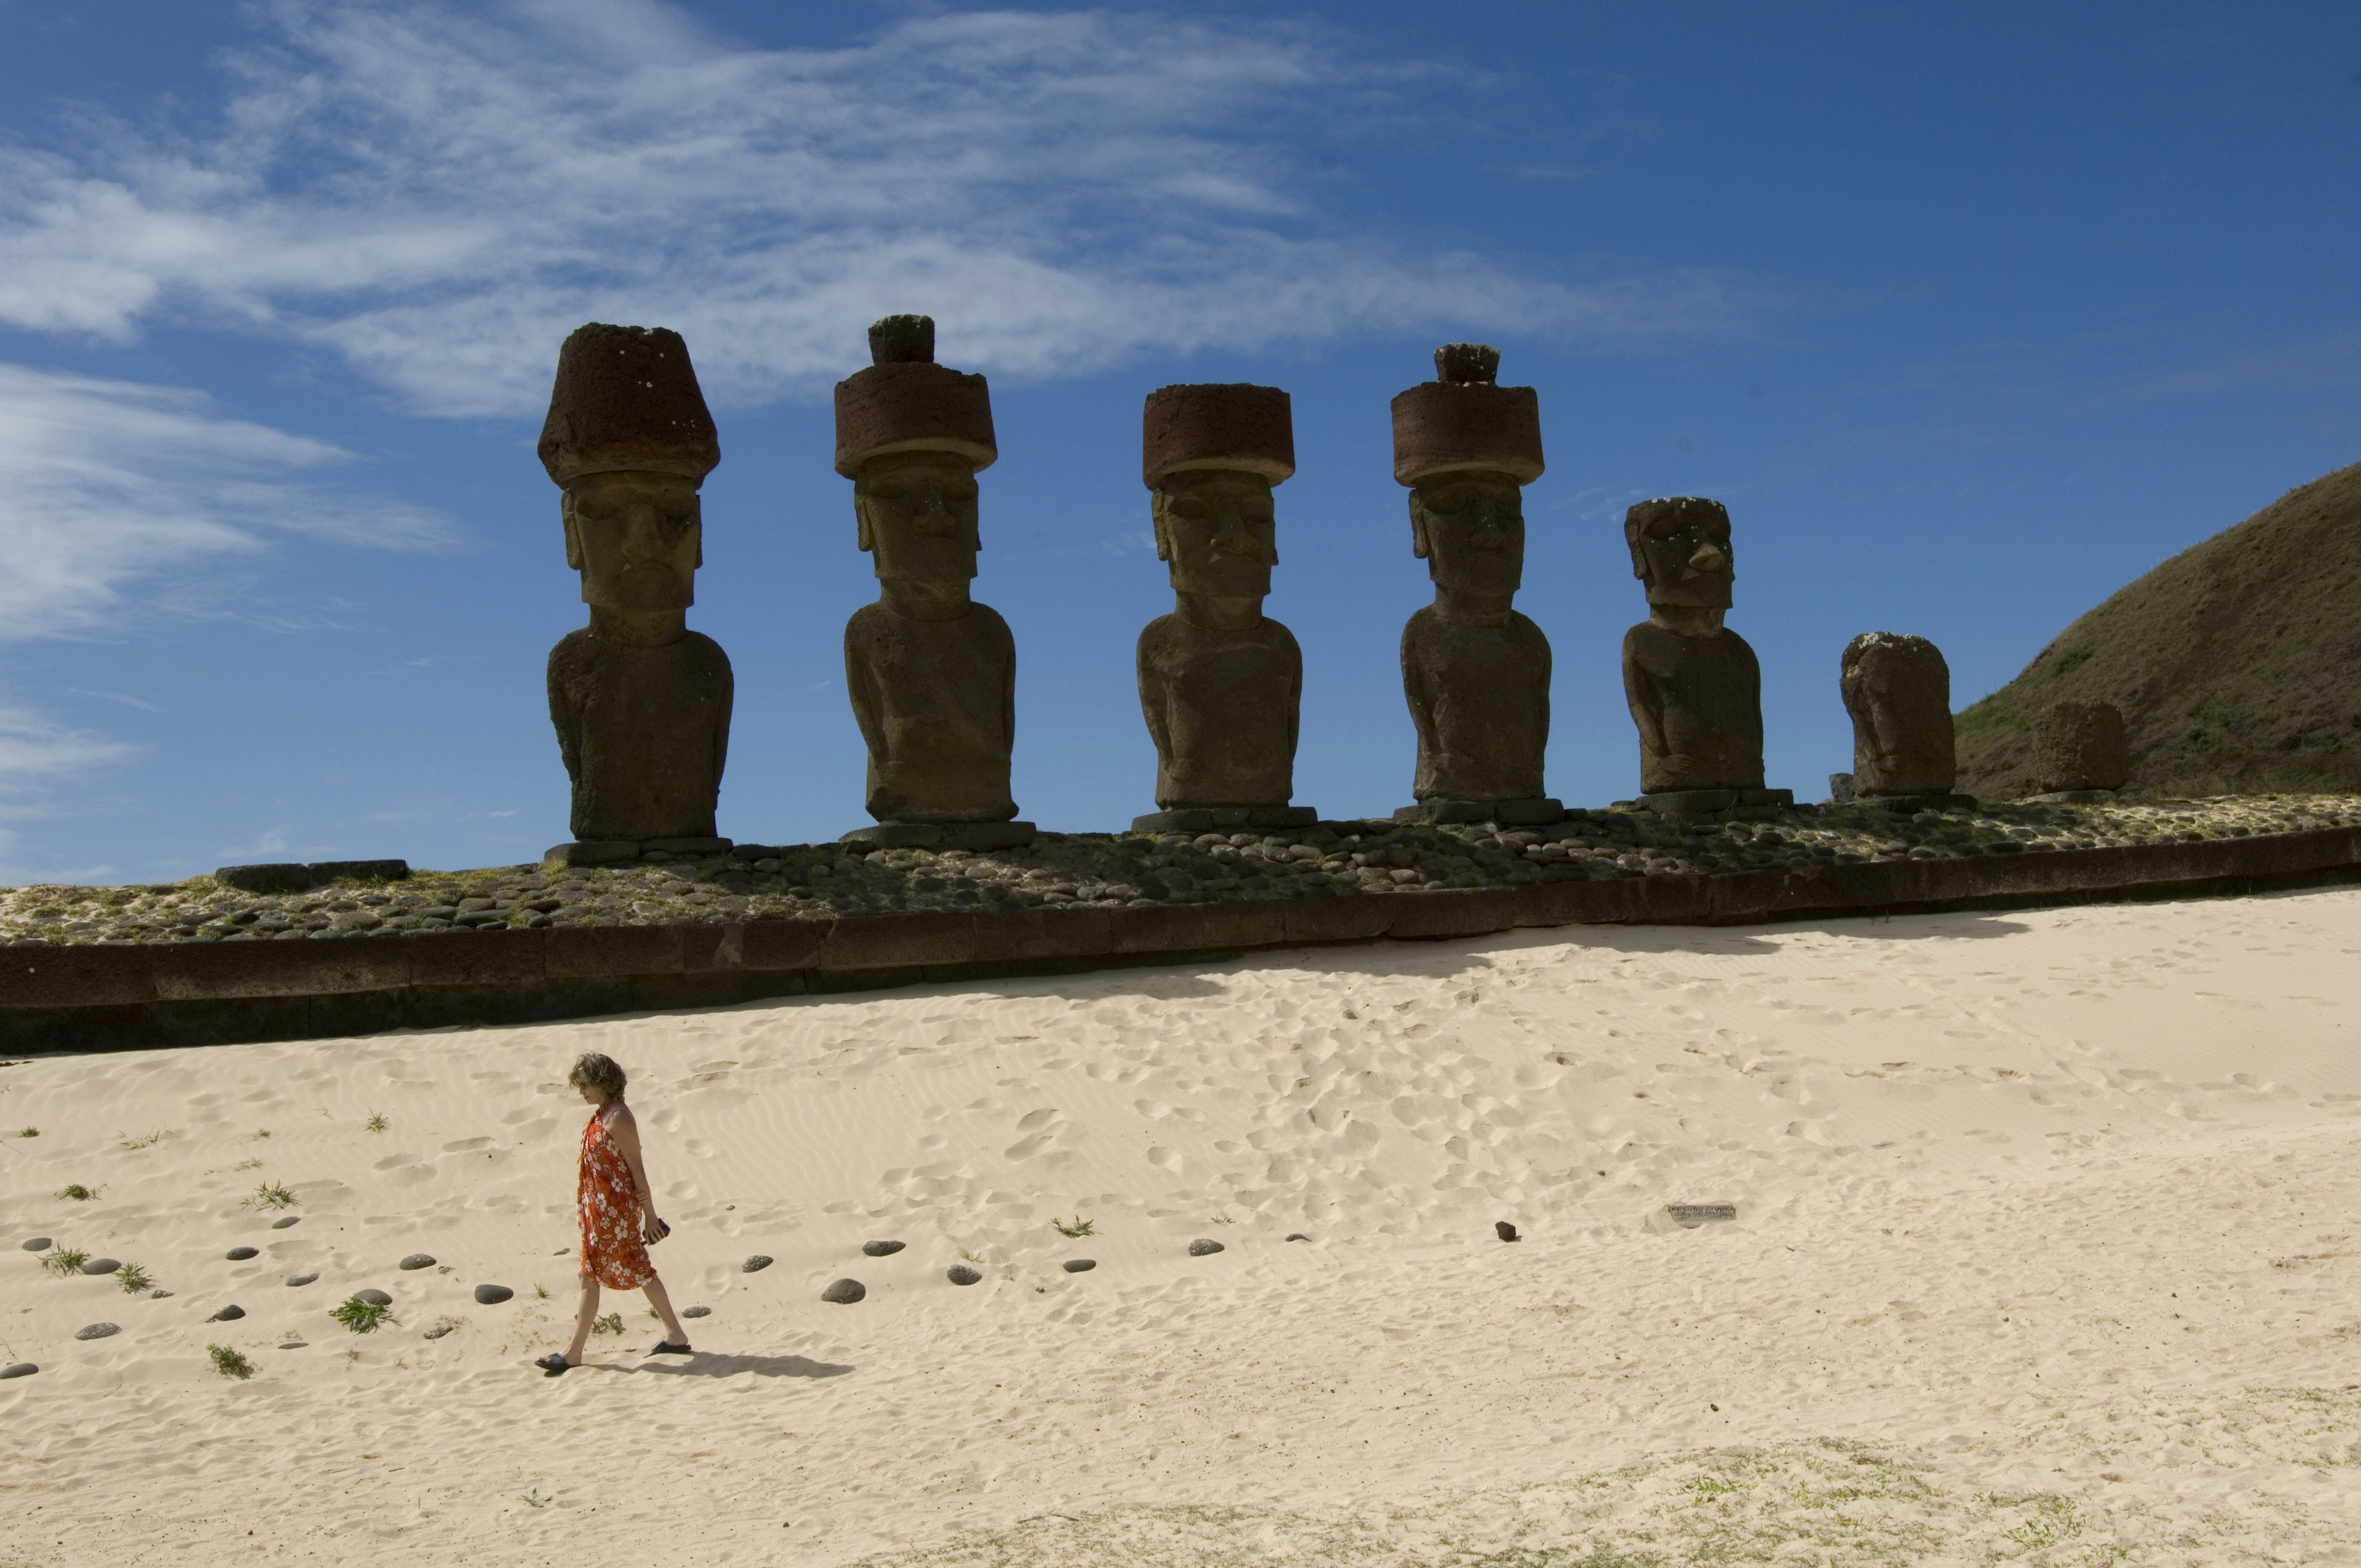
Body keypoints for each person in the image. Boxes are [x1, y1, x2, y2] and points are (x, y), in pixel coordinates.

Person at [538, 1052, 690, 1374]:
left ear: (603, 1083)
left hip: (616, 1216)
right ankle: (676, 1335)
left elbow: (637, 1169)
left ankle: (574, 1352)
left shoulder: (619, 1117)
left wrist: (650, 1216)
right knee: (627, 1269)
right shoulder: (602, 1114)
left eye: (585, 1085)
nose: (581, 1092)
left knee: (594, 1274)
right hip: (599, 1214)